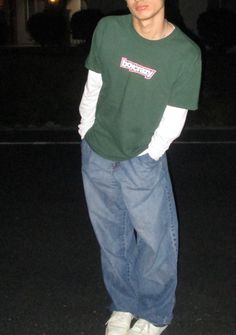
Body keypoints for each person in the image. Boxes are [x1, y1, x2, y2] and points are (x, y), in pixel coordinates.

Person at [79, 1, 201, 334]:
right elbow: (94, 84)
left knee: (155, 242)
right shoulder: (109, 30)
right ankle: (123, 304)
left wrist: (150, 154)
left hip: (141, 160)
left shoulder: (184, 53)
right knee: (111, 239)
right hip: (97, 153)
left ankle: (155, 313)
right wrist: (86, 130)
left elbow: (175, 117)